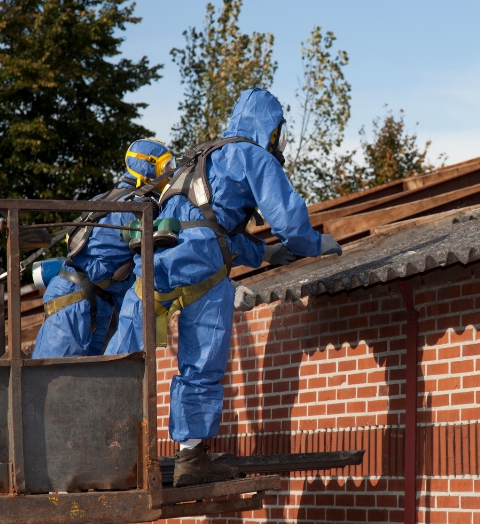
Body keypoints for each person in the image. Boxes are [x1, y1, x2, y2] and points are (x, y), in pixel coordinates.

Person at [105, 88, 342, 487]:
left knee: (123, 360)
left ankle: (99, 447)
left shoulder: (201, 158)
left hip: (153, 264)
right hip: (202, 268)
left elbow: (207, 224)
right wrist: (314, 244)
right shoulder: (254, 155)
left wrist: (264, 254)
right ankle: (192, 458)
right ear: (271, 128)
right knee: (200, 360)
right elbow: (289, 222)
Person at [32, 139, 173, 359]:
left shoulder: (105, 199)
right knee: (52, 381)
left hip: (92, 301)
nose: (169, 173)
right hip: (75, 299)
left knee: (86, 384)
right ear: (149, 165)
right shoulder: (139, 208)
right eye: (166, 166)